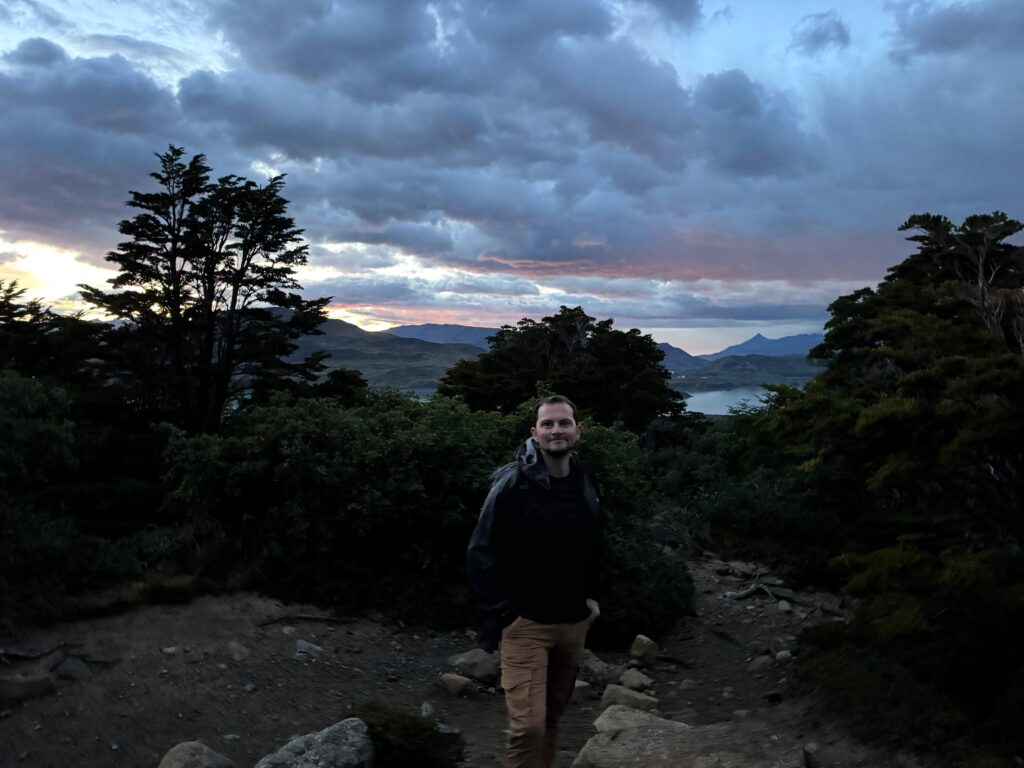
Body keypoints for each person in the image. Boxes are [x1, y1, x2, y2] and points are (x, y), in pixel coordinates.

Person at [468, 394, 603, 768]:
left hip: (574, 622)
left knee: (552, 719)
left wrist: (593, 597)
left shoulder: (585, 478)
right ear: (535, 432)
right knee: (528, 728)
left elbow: (593, 542)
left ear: (578, 430)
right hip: (526, 624)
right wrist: (504, 612)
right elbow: (480, 552)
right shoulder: (514, 484)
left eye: (564, 423)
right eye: (548, 424)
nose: (556, 430)